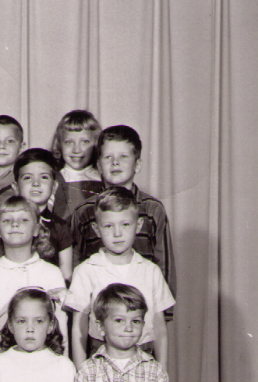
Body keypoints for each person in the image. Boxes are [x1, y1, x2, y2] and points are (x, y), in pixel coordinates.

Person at [66, 187, 175, 368]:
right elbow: (79, 326)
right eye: (108, 226)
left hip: (144, 355)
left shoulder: (151, 271)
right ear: (96, 229)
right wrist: (80, 371)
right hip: (100, 354)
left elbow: (160, 328)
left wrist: (162, 371)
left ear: (138, 225)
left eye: (125, 225)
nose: (117, 234)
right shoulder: (86, 270)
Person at [70, 125, 177, 301]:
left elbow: (164, 264)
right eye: (108, 157)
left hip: (143, 308)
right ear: (98, 165)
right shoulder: (84, 211)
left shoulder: (153, 209)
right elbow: (75, 262)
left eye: (123, 157)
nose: (115, 162)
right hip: (98, 308)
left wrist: (163, 314)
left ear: (138, 165)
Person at [0, 196, 66, 349]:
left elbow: (60, 325)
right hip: (0, 355)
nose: (15, 224)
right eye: (7, 221)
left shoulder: (52, 273)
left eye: (24, 220)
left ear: (36, 229)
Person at [14, 148, 74, 283]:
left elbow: (66, 274)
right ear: (15, 187)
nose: (36, 183)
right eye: (28, 178)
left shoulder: (60, 227)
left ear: (54, 186)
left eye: (44, 177)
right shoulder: (7, 223)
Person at [49, 109, 104, 224]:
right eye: (69, 142)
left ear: (95, 144)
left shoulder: (102, 178)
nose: (76, 150)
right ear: (59, 144)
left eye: (84, 142)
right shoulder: (53, 178)